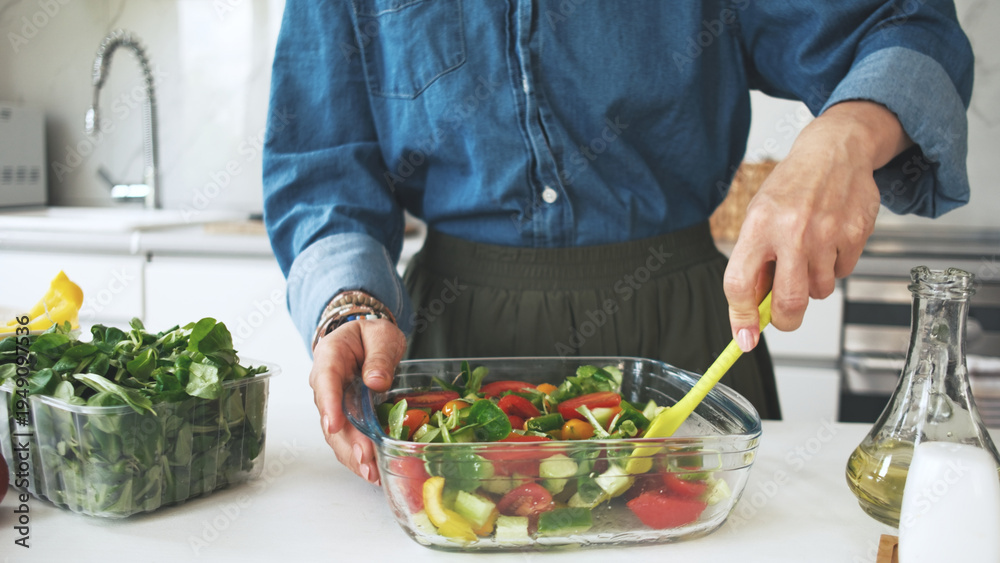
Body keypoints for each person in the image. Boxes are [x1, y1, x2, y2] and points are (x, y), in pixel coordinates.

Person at [262, 1, 974, 484]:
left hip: (686, 339)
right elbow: (321, 171)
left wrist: (844, 136)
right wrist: (346, 303)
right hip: (449, 356)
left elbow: (907, 23)